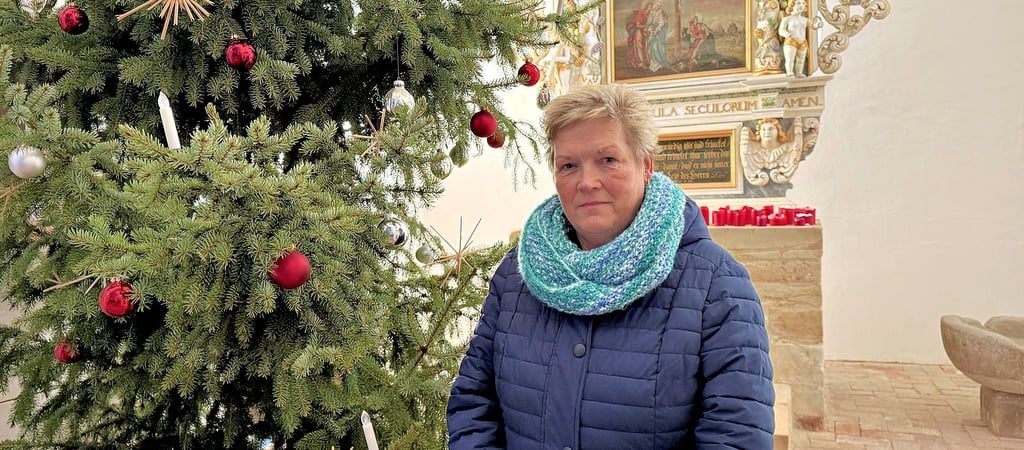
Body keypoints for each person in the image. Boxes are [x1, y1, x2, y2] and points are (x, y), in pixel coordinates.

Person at [447, 84, 775, 449]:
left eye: (608, 160)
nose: (587, 182)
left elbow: (735, 435)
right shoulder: (517, 275)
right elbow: (474, 400)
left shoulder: (716, 285)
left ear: (645, 164)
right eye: (569, 165)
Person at [778, 0, 810, 77]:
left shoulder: (805, 19)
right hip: (791, 41)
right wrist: (787, 34)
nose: (801, 5)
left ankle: (799, 73)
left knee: (801, 60)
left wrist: (817, 24)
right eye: (798, 3)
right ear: (792, 5)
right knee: (790, 59)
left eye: (803, 4)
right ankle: (789, 72)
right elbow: (781, 30)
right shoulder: (787, 19)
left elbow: (813, 25)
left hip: (802, 42)